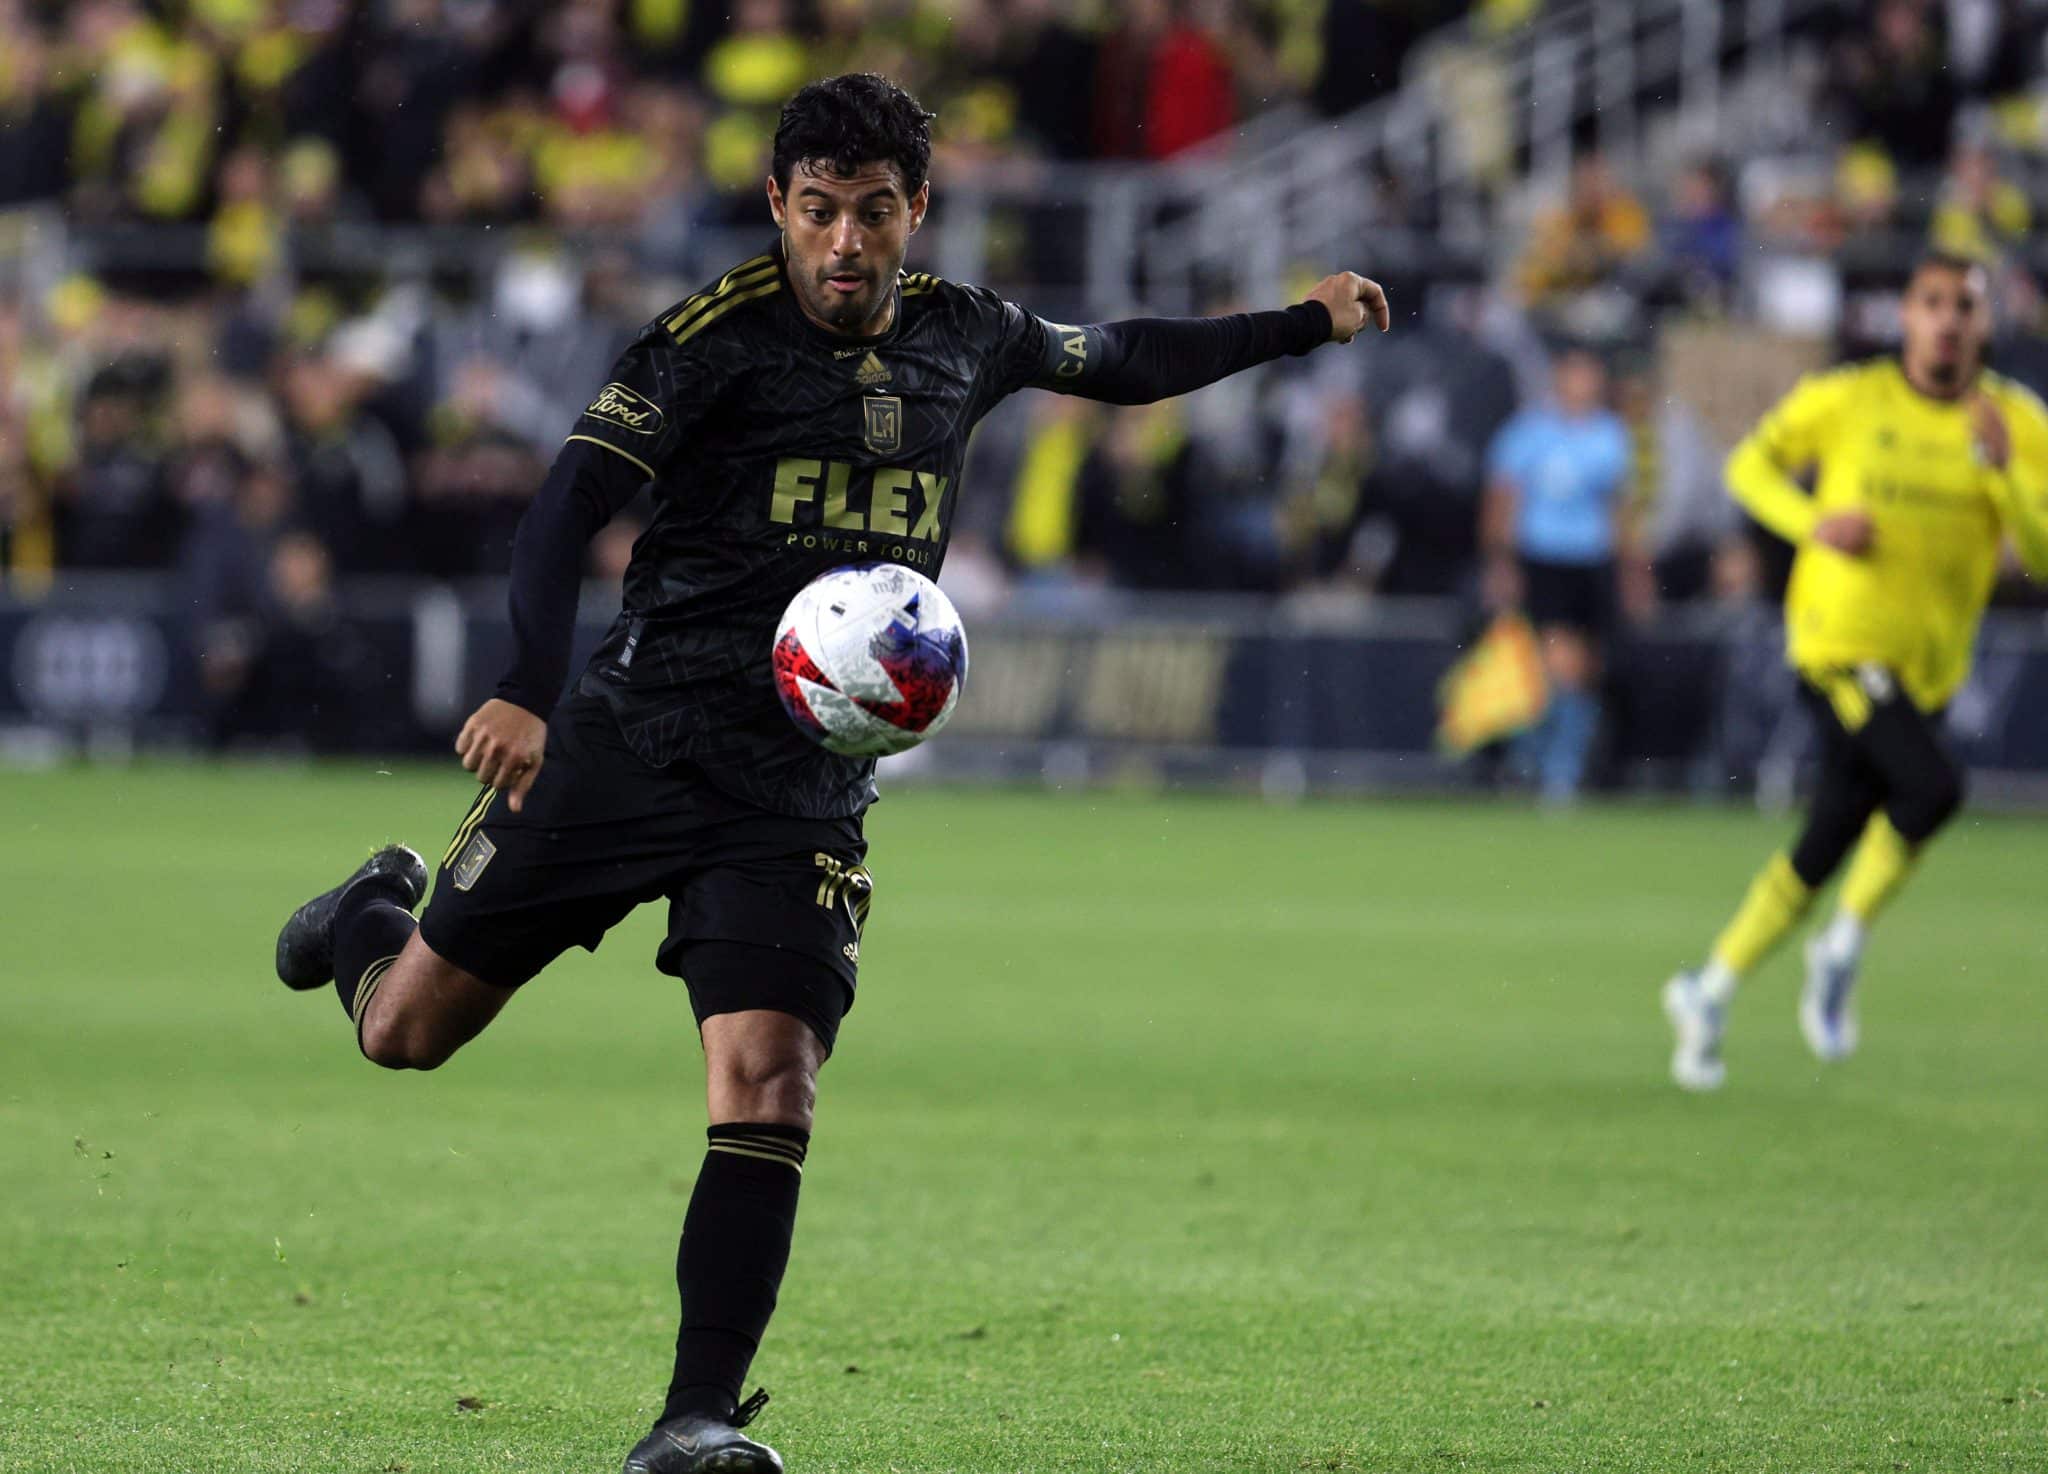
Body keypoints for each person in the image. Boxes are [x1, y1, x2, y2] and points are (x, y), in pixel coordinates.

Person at [269, 73, 1388, 1474]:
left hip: (798, 779)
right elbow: (565, 504)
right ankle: (372, 906)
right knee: (404, 1031)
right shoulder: (707, 344)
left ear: (916, 210)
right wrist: (524, 682)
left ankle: (692, 1419)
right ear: (779, 210)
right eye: (818, 213)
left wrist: (1303, 323)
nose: (845, 243)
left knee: (769, 1078)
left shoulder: (966, 334)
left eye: (873, 212)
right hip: (637, 737)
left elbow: (1121, 358)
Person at [1663, 253, 2048, 1091]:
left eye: (1965, 307)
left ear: (1986, 323)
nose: (1948, 320)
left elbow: (2045, 554)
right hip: (1839, 644)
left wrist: (2007, 476)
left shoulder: (2015, 422)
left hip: (1929, 667)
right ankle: (1842, 947)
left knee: (1830, 834)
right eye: (1933, 303)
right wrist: (1812, 523)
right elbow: (1748, 468)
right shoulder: (1850, 398)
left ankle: (1710, 990)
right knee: (1934, 789)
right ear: (1907, 317)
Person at [1480, 345, 1645, 802]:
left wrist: (1633, 572)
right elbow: (1502, 501)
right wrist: (1501, 563)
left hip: (1593, 562)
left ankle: (1537, 762)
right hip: (1544, 558)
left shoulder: (1611, 435)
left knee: (1584, 667)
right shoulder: (1528, 434)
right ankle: (1553, 769)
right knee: (1560, 661)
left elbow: (1620, 510)